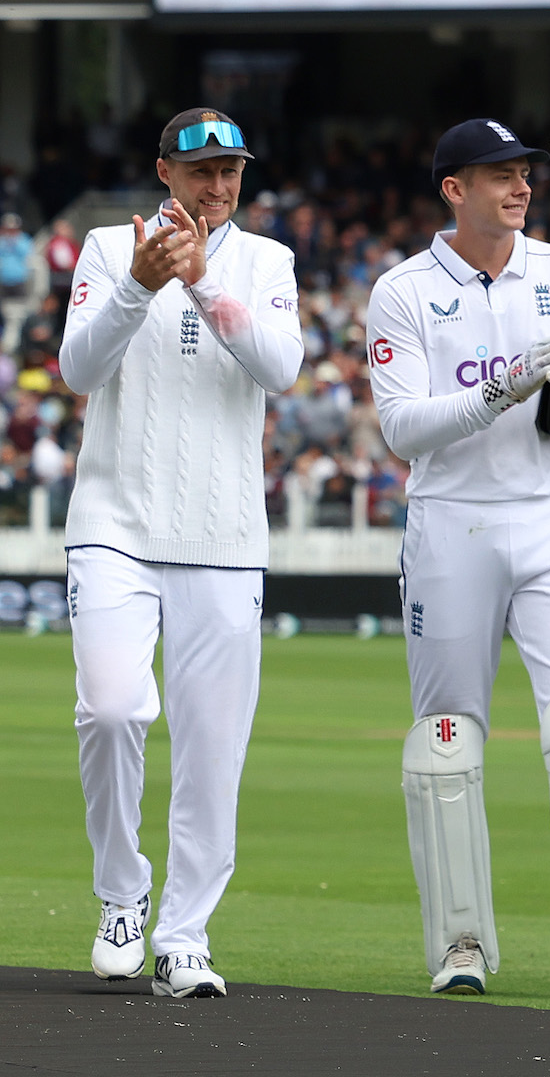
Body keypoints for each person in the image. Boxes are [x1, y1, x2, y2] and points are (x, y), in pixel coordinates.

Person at [365, 117, 550, 999]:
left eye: (525, 172)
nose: (520, 187)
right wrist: (502, 386)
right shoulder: (402, 290)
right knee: (446, 739)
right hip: (452, 525)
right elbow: (402, 427)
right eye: (499, 175)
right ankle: (460, 946)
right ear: (455, 189)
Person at [61, 108, 303, 998]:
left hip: (225, 538)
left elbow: (280, 367)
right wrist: (137, 283)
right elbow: (79, 369)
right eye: (200, 170)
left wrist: (201, 285)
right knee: (115, 712)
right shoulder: (102, 246)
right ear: (164, 172)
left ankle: (185, 934)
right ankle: (122, 893)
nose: (218, 186)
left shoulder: (266, 261)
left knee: (211, 750)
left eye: (231, 169)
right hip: (114, 526)